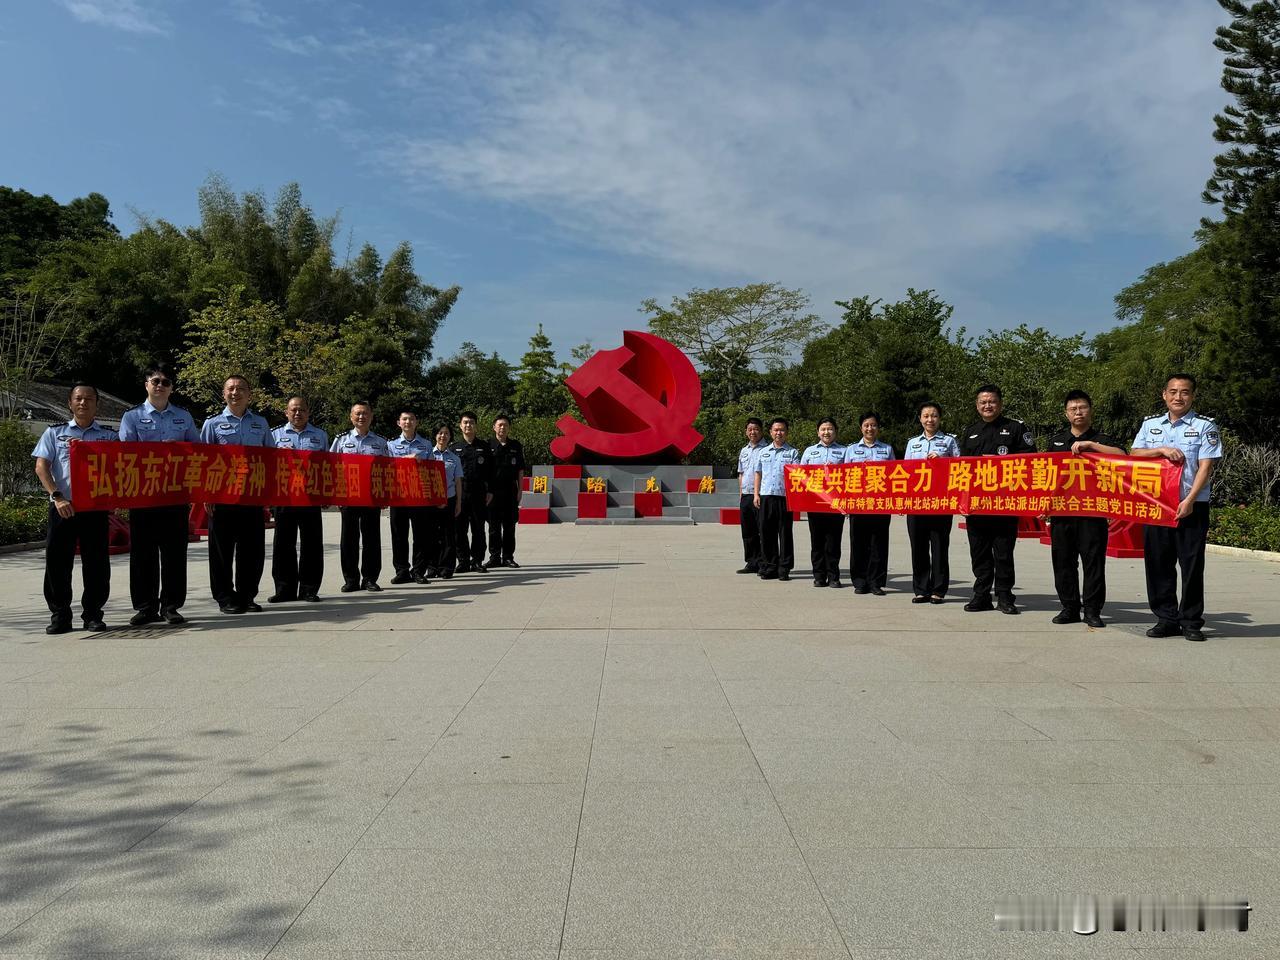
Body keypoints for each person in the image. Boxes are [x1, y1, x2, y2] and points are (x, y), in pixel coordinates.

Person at [1131, 374, 1222, 642]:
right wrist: (1160, 450)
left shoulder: (1206, 426)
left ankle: (1191, 621)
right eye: (1173, 392)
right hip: (1157, 506)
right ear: (1164, 395)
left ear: (1192, 396)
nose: (1178, 397)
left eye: (1184, 392)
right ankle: (1166, 618)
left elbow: (1206, 466)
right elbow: (1134, 454)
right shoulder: (1150, 425)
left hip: (1192, 506)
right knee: (1158, 564)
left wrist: (1190, 500)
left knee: (1191, 565)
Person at [32, 383, 117, 634]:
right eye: (78, 399)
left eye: (89, 399)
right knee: (57, 563)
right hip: (63, 508)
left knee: (97, 564)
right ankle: (60, 615)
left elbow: (119, 470)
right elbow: (41, 467)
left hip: (95, 509)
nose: (83, 403)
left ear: (97, 404)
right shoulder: (53, 433)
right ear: (69, 403)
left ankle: (93, 614)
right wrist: (57, 496)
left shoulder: (110, 437)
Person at [118, 366, 198, 626]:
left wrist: (178, 449)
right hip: (143, 496)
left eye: (165, 382)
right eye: (156, 381)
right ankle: (145, 607)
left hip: (175, 496)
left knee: (174, 554)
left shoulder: (184, 417)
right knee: (143, 554)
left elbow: (197, 452)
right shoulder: (132, 417)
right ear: (146, 385)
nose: (160, 386)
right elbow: (124, 454)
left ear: (172, 387)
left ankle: (171, 606)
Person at [1046, 390, 1126, 628]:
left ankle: (1092, 610)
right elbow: (1047, 474)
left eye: (1082, 407)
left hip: (1093, 511)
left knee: (1093, 562)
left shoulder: (1103, 439)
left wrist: (1092, 445)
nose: (1078, 412)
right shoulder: (1057, 440)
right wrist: (1046, 504)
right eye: (1073, 409)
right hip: (1062, 512)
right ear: (1066, 413)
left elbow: (1123, 457)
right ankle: (1069, 607)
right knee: (1063, 562)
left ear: (1090, 410)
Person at [199, 376, 275, 614]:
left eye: (241, 388)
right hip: (222, 499)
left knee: (252, 550)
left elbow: (271, 459)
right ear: (224, 394)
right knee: (221, 551)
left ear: (249, 394)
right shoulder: (212, 424)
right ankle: (225, 597)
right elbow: (203, 461)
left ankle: (247, 595)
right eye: (231, 389)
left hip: (252, 497)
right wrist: (205, 494)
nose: (235, 392)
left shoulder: (261, 423)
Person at [958, 384, 1036, 615]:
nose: (987, 405)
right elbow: (960, 469)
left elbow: (1031, 460)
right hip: (977, 505)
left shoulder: (1016, 428)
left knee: (1003, 552)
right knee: (979, 552)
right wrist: (963, 500)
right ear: (977, 406)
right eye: (983, 402)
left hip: (1004, 502)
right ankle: (981, 595)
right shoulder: (971, 431)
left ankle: (1004, 596)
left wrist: (1003, 463)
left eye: (991, 401)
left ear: (1000, 403)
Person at [269, 397, 328, 603]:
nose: (298, 413)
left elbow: (327, 468)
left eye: (302, 410)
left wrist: (327, 493)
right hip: (284, 496)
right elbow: (267, 465)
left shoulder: (320, 435)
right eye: (293, 410)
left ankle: (309, 589)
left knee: (312, 544)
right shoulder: (274, 434)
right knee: (283, 544)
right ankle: (284, 589)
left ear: (308, 412)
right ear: (286, 412)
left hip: (310, 497)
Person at [903, 401, 960, 604]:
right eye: (926, 416)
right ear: (920, 419)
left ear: (940, 418)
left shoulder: (950, 441)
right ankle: (920, 589)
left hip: (940, 503)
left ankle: (938, 589)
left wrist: (942, 462)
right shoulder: (912, 443)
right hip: (917, 503)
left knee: (939, 547)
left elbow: (960, 468)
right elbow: (906, 472)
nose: (930, 419)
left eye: (934, 415)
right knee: (918, 547)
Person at [330, 402, 390, 592]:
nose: (361, 417)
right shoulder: (340, 440)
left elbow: (387, 470)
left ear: (371, 416)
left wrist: (385, 495)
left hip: (372, 498)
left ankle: (370, 578)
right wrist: (336, 494)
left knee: (372, 538)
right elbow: (332, 467)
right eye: (357, 414)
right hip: (348, 497)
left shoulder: (381, 442)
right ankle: (351, 579)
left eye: (365, 414)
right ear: (351, 417)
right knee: (349, 539)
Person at [843, 411, 896, 595]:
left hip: (880, 504)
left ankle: (876, 582)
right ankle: (860, 581)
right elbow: (844, 479)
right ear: (861, 428)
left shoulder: (887, 449)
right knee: (858, 543)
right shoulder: (850, 450)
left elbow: (895, 477)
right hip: (858, 504)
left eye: (873, 425)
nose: (870, 428)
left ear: (878, 428)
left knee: (879, 544)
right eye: (866, 425)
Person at [387, 411, 434, 585]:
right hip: (398, 495)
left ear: (417, 422)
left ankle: (419, 571)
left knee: (421, 535)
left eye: (411, 419)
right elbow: (387, 467)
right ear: (398, 422)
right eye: (404, 419)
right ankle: (401, 570)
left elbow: (432, 469)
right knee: (399, 535)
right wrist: (407, 459)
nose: (408, 422)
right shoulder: (390, 444)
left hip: (420, 495)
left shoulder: (426, 444)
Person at [800, 417, 846, 587]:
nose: (826, 432)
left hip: (835, 504)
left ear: (836, 431)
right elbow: (800, 476)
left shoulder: (844, 451)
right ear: (818, 432)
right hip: (815, 503)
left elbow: (850, 476)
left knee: (834, 541)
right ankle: (819, 576)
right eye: (823, 429)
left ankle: (834, 576)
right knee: (817, 541)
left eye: (830, 429)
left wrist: (836, 471)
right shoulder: (809, 451)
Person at [753, 418, 801, 581]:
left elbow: (797, 476)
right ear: (770, 432)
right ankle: (770, 565)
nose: (778, 433)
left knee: (785, 533)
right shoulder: (763, 452)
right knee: (767, 533)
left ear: (786, 432)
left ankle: (784, 567)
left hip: (784, 498)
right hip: (766, 496)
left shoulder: (793, 453)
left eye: (782, 430)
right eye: (775, 430)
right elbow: (758, 473)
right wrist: (756, 494)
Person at [450, 411, 493, 573]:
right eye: (465, 422)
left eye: (471, 422)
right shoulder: (454, 448)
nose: (468, 425)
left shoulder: (484, 447)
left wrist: (490, 491)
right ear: (460, 425)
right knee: (459, 530)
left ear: (476, 426)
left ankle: (477, 560)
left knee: (478, 529)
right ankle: (463, 561)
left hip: (479, 494)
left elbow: (491, 471)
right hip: (460, 495)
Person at [487, 413, 526, 568]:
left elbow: (520, 471)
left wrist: (520, 490)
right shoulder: (487, 445)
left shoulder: (516, 446)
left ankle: (508, 557)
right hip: (492, 492)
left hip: (510, 490)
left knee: (509, 526)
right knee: (493, 527)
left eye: (505, 425)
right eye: (500, 425)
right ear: (494, 427)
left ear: (509, 428)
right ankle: (494, 557)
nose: (502, 427)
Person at [428, 424, 464, 578]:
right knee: (431, 536)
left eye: (447, 433)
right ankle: (432, 567)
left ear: (450, 437)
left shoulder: (454, 458)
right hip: (431, 502)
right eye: (440, 433)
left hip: (449, 499)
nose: (443, 436)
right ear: (435, 435)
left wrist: (458, 503)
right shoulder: (428, 455)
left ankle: (447, 567)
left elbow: (457, 482)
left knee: (448, 535)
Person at [736, 418, 768, 574]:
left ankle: (764, 562)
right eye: (750, 429)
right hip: (746, 495)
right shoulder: (744, 450)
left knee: (762, 530)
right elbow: (740, 473)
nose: (753, 432)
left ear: (761, 431)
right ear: (746, 432)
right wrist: (741, 494)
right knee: (748, 531)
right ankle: (751, 562)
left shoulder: (768, 449)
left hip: (761, 495)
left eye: (756, 429)